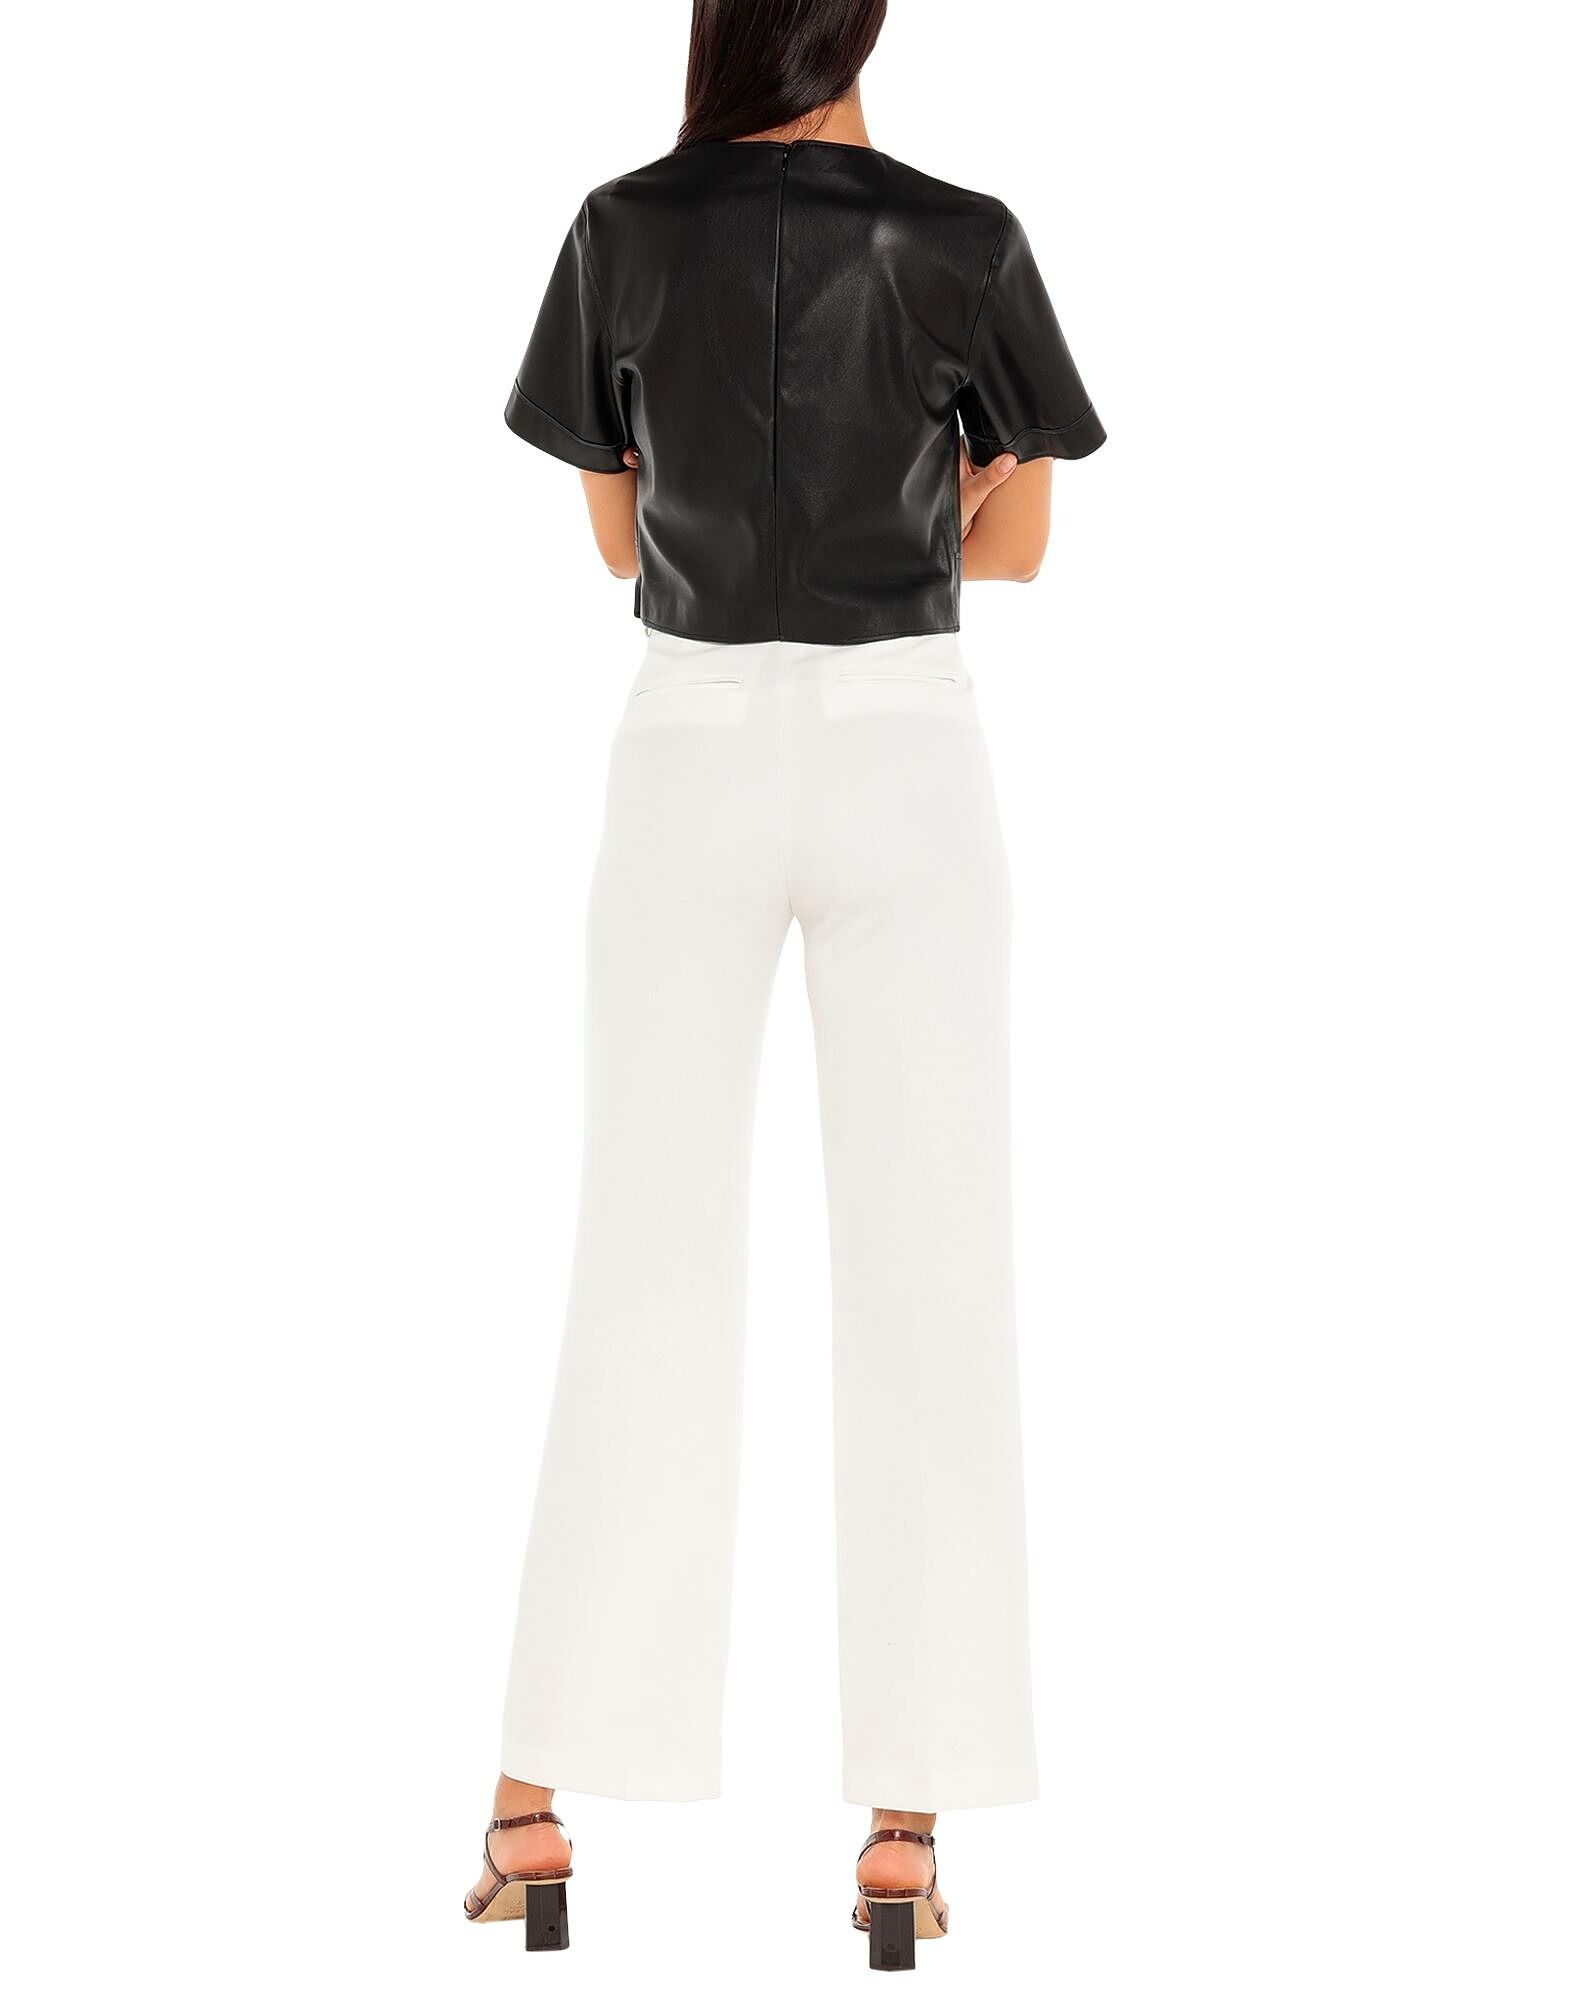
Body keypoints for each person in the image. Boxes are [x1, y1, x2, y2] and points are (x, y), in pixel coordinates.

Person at [464, 0, 1104, 1969]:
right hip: (907, 738)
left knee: (641, 1256)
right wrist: (919, 499)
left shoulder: (621, 226)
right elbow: (1022, 543)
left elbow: (613, 535)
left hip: (687, 742)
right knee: (932, 1272)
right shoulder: (963, 237)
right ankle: (906, 1828)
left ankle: (535, 1800)